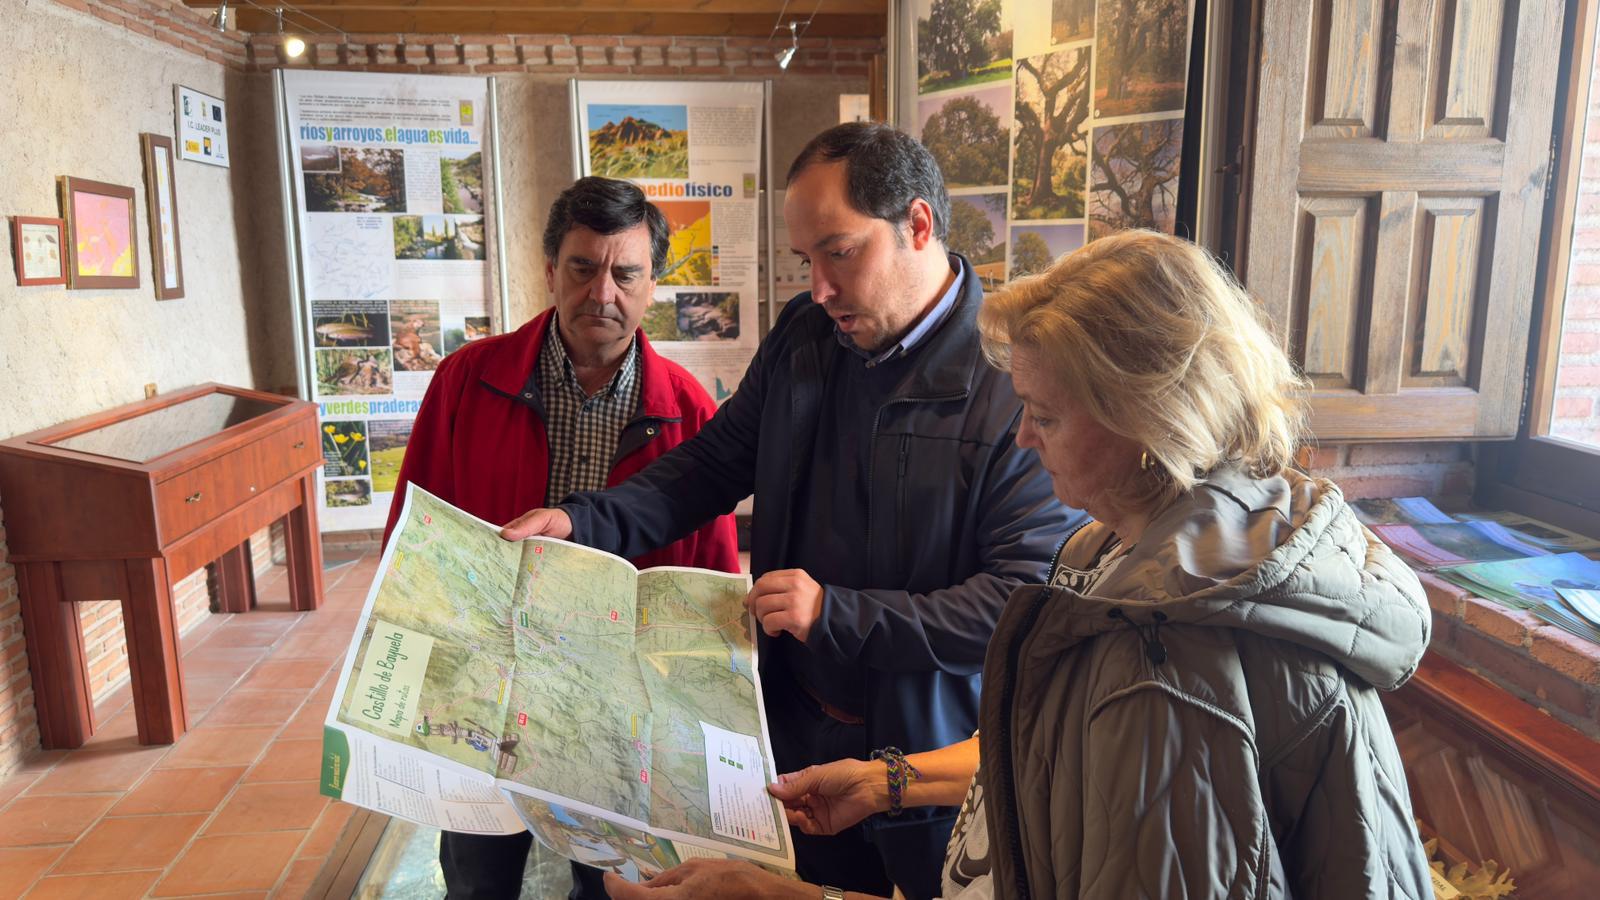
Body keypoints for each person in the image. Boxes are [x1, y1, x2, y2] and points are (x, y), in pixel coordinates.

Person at [600, 230, 1435, 899]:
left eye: (1045, 415)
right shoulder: (1141, 545)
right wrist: (888, 781)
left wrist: (780, 898)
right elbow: (1055, 749)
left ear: (1149, 419)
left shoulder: (1163, 669)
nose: (1025, 438)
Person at [501, 122, 1077, 898]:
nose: (820, 288)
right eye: (808, 261)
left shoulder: (1010, 380)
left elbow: (1022, 603)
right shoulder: (808, 336)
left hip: (926, 756)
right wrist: (582, 522)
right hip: (793, 731)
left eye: (839, 253)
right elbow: (711, 465)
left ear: (917, 224)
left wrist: (835, 613)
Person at [382, 175, 739, 900]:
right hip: (485, 689)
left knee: (611, 886)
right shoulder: (466, 381)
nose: (602, 293)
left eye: (625, 274)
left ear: (652, 284)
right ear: (550, 269)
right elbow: (412, 538)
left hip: (614, 708)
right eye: (582, 268)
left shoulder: (689, 411)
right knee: (476, 879)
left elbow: (713, 573)